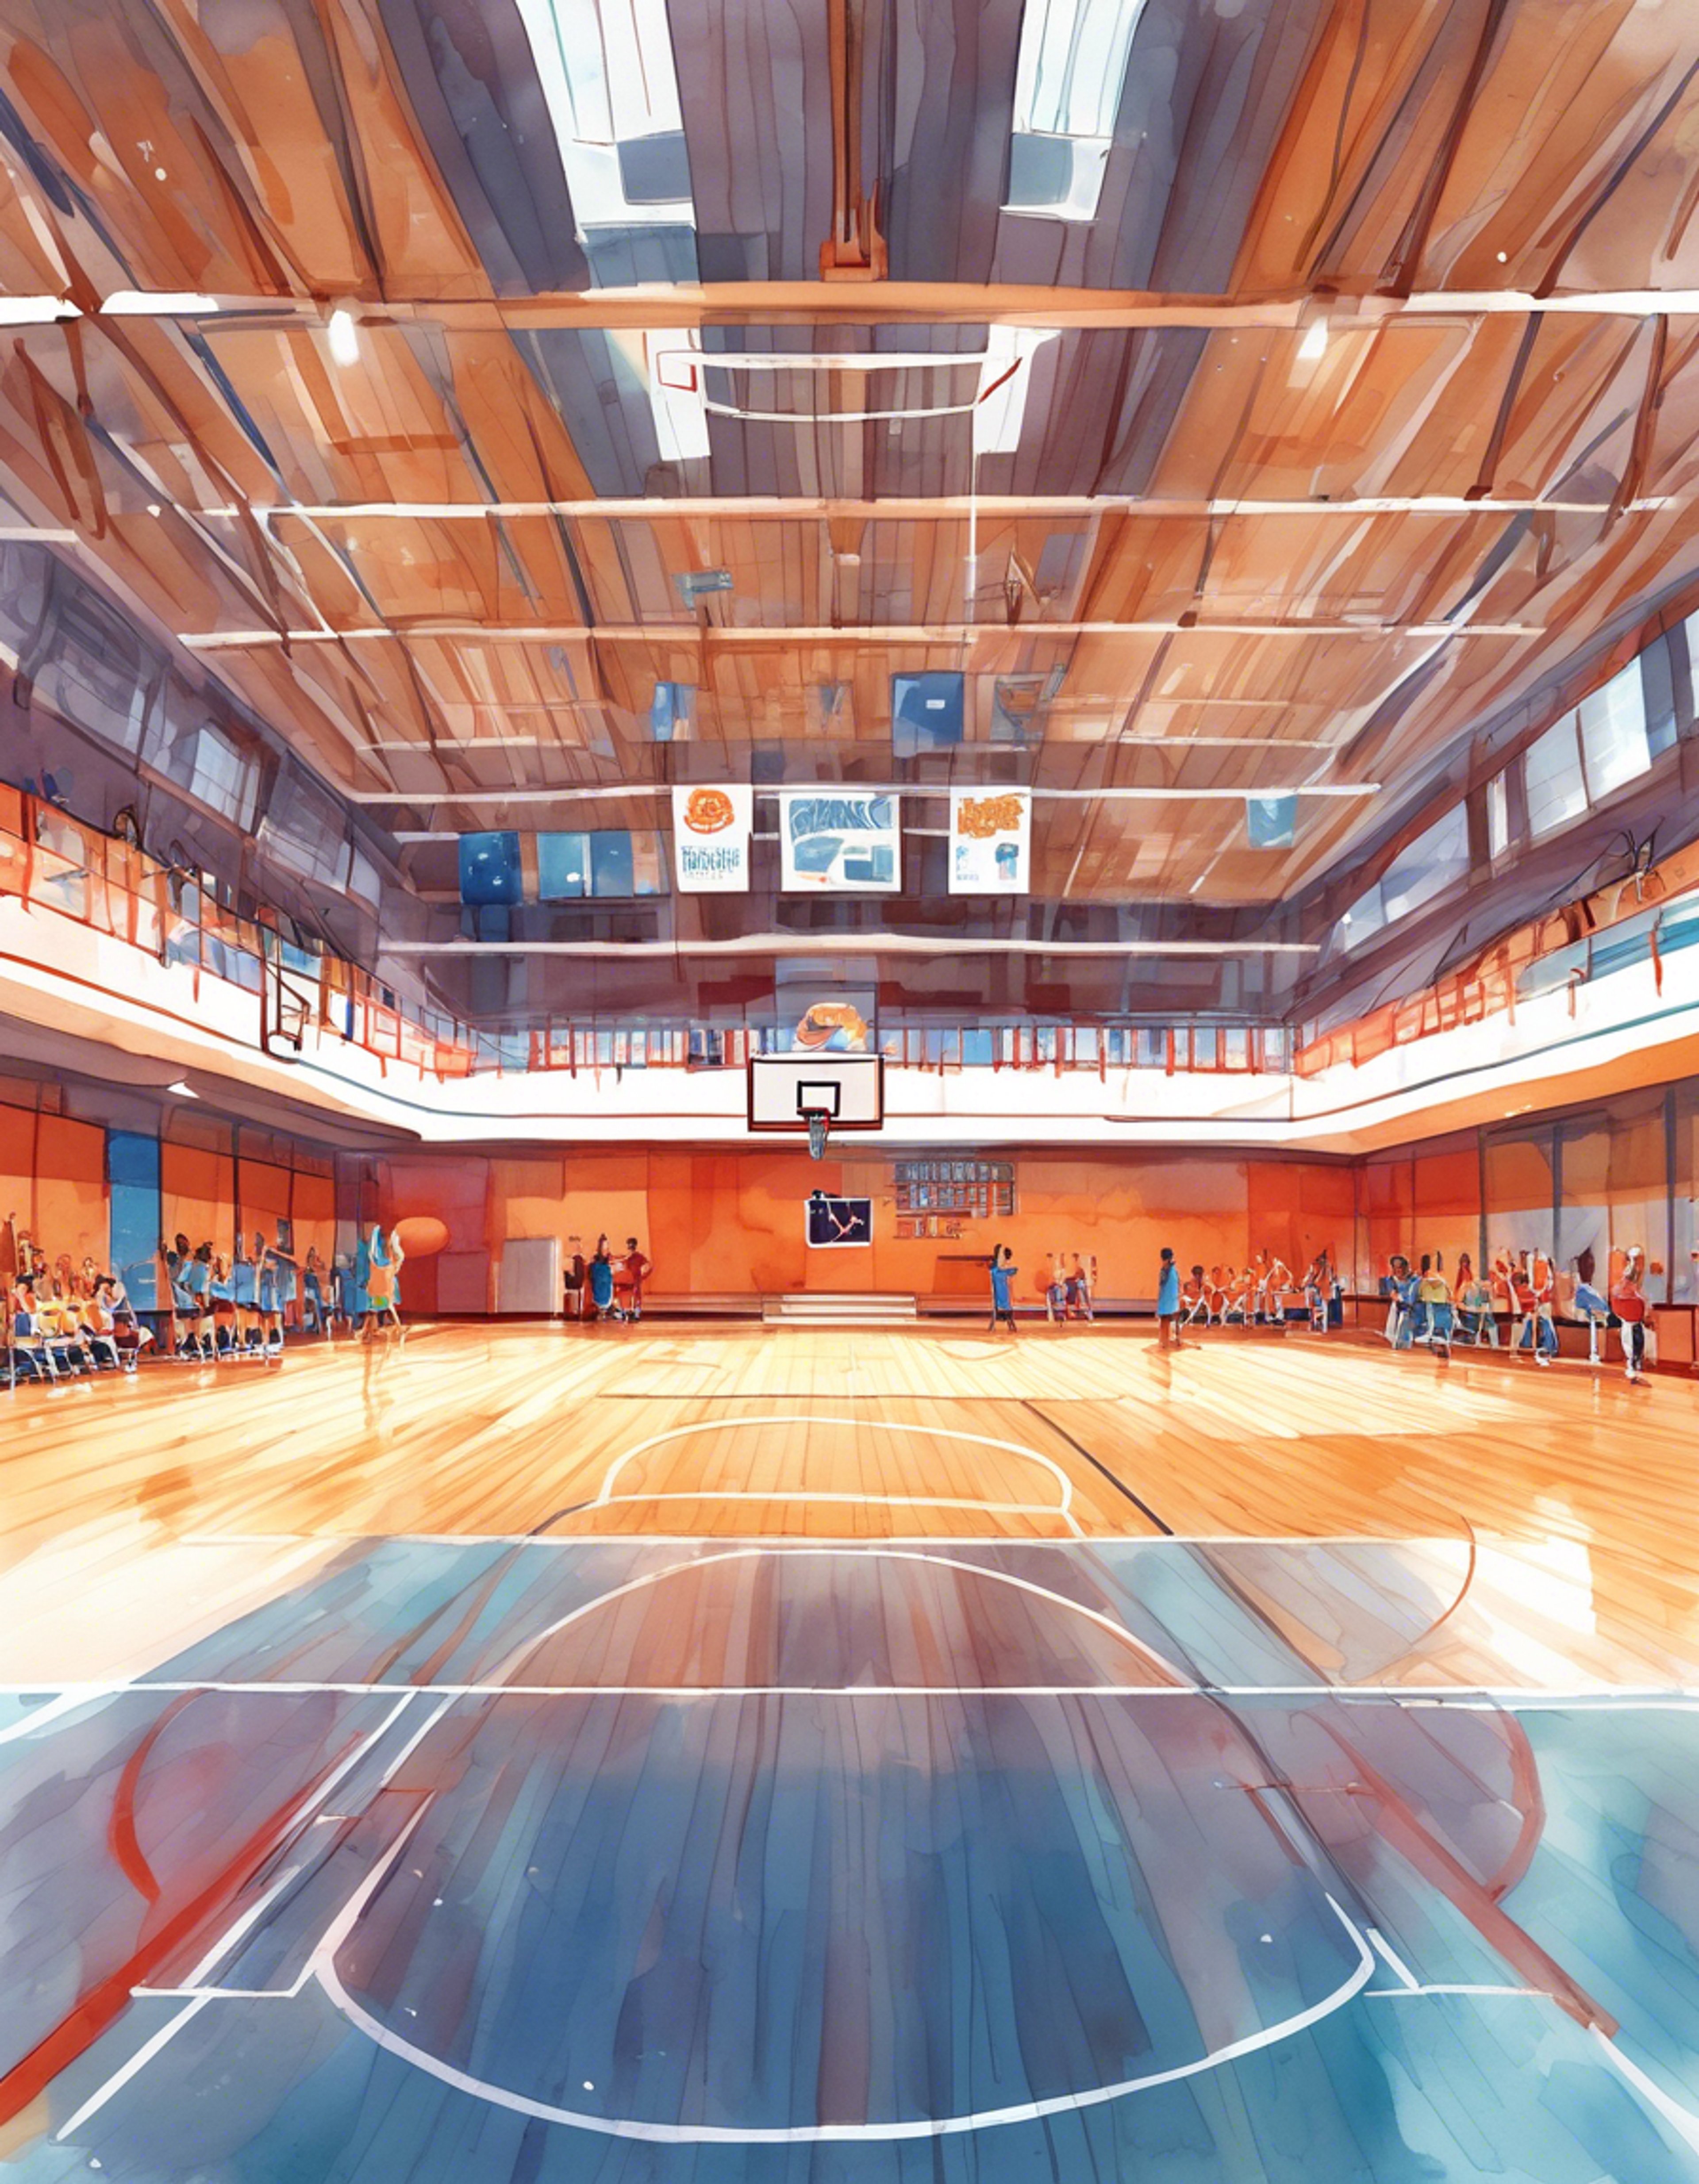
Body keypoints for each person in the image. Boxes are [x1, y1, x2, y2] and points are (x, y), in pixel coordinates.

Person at [1566, 1253, 1611, 1366]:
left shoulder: (1586, 1291)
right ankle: (1597, 1354)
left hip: (1595, 1315)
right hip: (1596, 1315)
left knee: (1598, 1322)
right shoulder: (1587, 1291)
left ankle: (1597, 1354)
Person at [1612, 1246, 1649, 1384]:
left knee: (1635, 1341)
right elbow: (1623, 1291)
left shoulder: (1636, 1278)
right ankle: (1633, 1365)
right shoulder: (1628, 1277)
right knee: (1633, 1342)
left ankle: (1634, 1364)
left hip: (1633, 1317)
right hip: (1631, 1317)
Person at [1454, 1255, 1498, 1347]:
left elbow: (1485, 1299)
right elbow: (1458, 1302)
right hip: (1468, 1314)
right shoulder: (1465, 1285)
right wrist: (1468, 1308)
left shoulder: (1476, 1285)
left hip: (1477, 1310)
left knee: (1488, 1317)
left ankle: (1494, 1343)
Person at [1416, 1256, 1454, 1359]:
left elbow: (1419, 1295)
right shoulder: (1443, 1283)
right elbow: (1451, 1296)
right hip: (1442, 1312)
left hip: (1429, 1309)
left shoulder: (1423, 1283)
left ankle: (1432, 1337)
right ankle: (1442, 1342)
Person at [588, 1237, 621, 1323]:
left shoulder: (609, 1259)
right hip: (600, 1292)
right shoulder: (596, 1262)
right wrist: (609, 1270)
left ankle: (610, 1310)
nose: (606, 1250)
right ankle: (603, 1309)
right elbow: (597, 1275)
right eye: (604, 1248)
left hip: (609, 1290)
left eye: (607, 1248)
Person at [987, 1243, 1018, 1335]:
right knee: (1008, 1300)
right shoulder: (997, 1269)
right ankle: (1008, 1318)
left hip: (1002, 1293)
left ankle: (1008, 1319)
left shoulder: (998, 1267)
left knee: (1009, 1294)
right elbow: (1002, 1273)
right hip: (1001, 1297)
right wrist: (1010, 1270)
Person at [620, 1236, 653, 1323]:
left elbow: (649, 1266)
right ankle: (627, 1312)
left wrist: (643, 1275)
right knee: (628, 1296)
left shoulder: (639, 1257)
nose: (631, 1248)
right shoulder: (627, 1258)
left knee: (637, 1297)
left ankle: (636, 1313)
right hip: (628, 1281)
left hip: (637, 1280)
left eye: (632, 1246)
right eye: (629, 1246)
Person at [1156, 1245, 1182, 1350]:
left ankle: (1164, 1341)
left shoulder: (1164, 1270)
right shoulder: (1175, 1270)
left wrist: (1159, 1298)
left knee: (1164, 1320)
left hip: (1166, 1300)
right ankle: (1177, 1339)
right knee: (1175, 1319)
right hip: (1174, 1299)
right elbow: (1179, 1283)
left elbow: (1161, 1285)